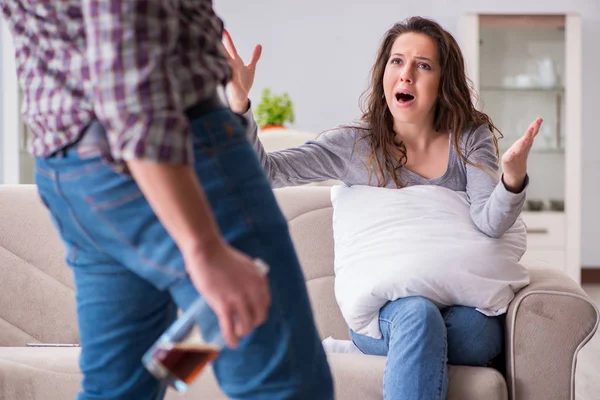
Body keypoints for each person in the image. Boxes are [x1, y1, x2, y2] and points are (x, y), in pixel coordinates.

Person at [0, 1, 334, 399]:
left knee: (121, 389)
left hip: (73, 172)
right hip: (175, 152)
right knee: (285, 383)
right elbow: (125, 58)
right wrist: (203, 247)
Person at [224, 16, 542, 400]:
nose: (406, 74)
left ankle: (387, 352)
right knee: (417, 316)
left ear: (443, 82)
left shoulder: (467, 139)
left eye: (423, 65)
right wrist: (240, 104)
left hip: (462, 311)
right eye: (397, 61)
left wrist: (511, 180)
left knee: (473, 333)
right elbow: (266, 172)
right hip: (387, 314)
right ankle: (396, 345)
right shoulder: (353, 147)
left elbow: (490, 222)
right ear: (383, 74)